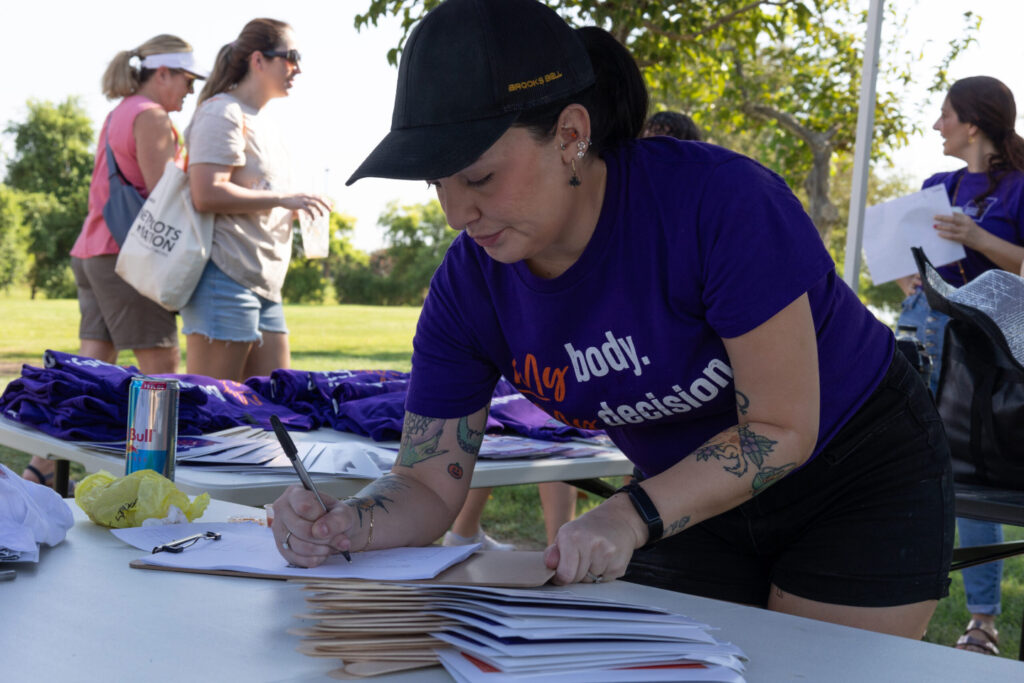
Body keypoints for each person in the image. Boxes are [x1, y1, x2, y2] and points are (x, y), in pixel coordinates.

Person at [272, 0, 953, 639]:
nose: (457, 213)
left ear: (570, 135)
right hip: (686, 494)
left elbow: (778, 430)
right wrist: (347, 522)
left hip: (854, 471)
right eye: (437, 184)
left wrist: (629, 514)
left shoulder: (719, 205)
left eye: (478, 178)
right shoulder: (468, 284)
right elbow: (425, 480)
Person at [22, 35, 206, 489]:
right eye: (186, 79)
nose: (190, 90)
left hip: (94, 251)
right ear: (161, 72)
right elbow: (166, 194)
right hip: (129, 260)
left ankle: (40, 472)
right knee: (162, 374)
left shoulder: (118, 113)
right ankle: (162, 487)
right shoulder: (151, 116)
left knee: (88, 373)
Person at [896, 75, 1024, 656]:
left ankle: (982, 624)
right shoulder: (935, 185)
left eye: (944, 114)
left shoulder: (1020, 186)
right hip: (922, 332)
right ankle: (899, 609)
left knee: (967, 475)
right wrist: (910, 273)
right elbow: (918, 261)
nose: (936, 125)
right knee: (905, 469)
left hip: (984, 350)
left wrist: (976, 235)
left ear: (972, 122)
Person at [182, 18, 331, 383]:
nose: (297, 68)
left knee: (274, 410)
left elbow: (256, 196)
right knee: (212, 412)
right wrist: (282, 198)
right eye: (290, 56)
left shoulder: (264, 121)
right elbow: (206, 193)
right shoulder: (222, 112)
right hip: (226, 278)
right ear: (257, 60)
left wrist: (294, 209)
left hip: (266, 282)